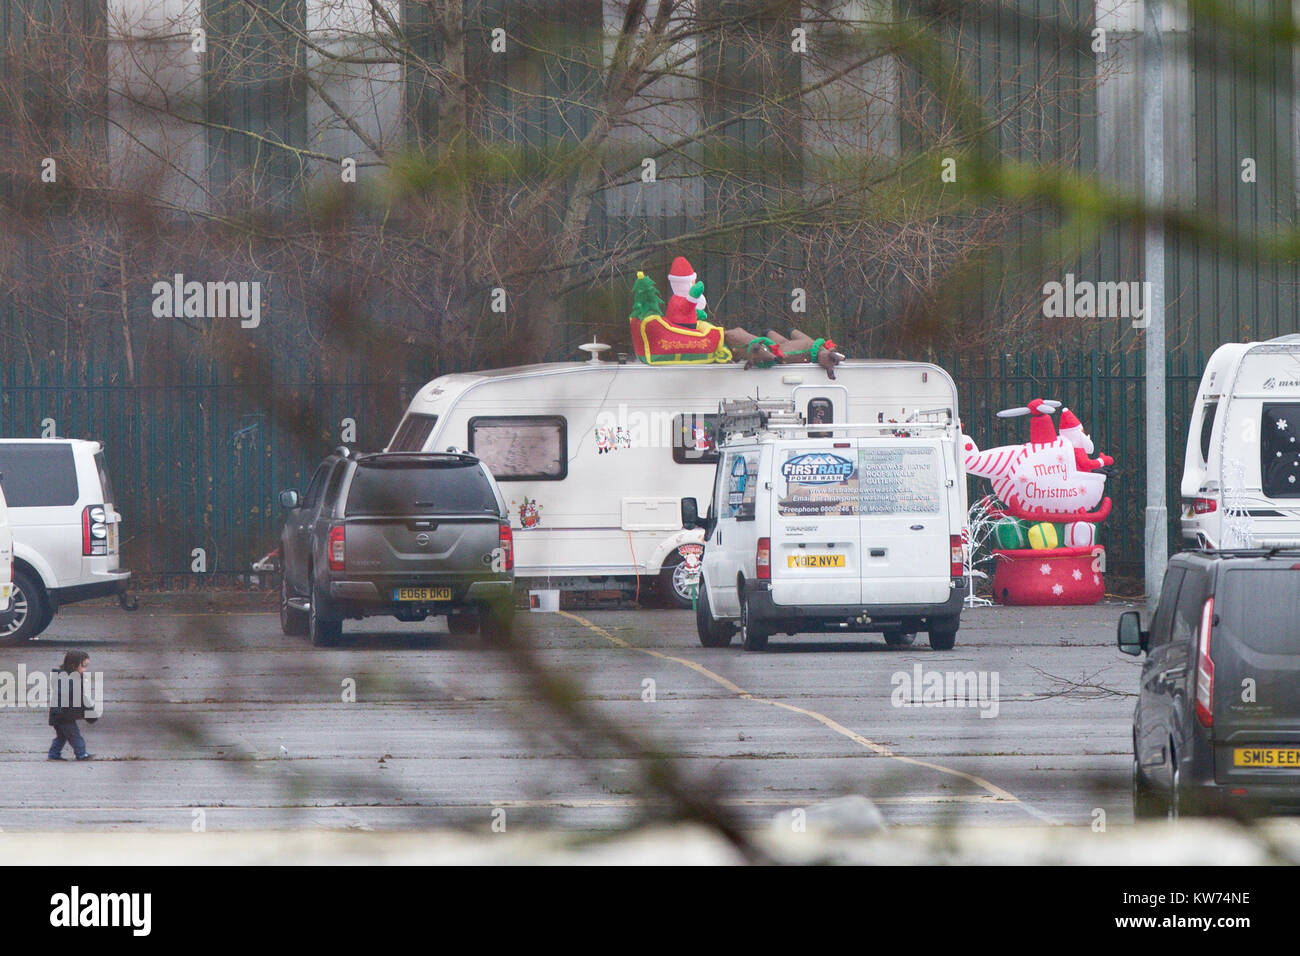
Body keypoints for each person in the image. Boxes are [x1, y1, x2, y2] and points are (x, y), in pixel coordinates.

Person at [48, 650, 96, 761]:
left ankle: (53, 754)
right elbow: (60, 696)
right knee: (74, 735)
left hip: (62, 716)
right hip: (63, 716)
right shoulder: (66, 679)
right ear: (74, 666)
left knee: (62, 736)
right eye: (83, 666)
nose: (85, 669)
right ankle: (81, 754)